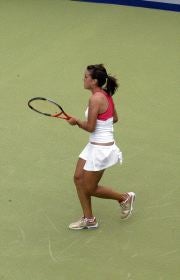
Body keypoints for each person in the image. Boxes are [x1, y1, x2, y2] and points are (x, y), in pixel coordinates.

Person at [67, 64, 135, 230]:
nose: (83, 79)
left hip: (101, 149)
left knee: (89, 188)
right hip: (94, 144)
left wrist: (76, 122)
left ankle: (124, 198)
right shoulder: (105, 95)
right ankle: (89, 219)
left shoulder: (95, 98)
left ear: (94, 81)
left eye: (86, 77)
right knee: (78, 178)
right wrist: (102, 126)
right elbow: (115, 118)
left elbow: (90, 127)